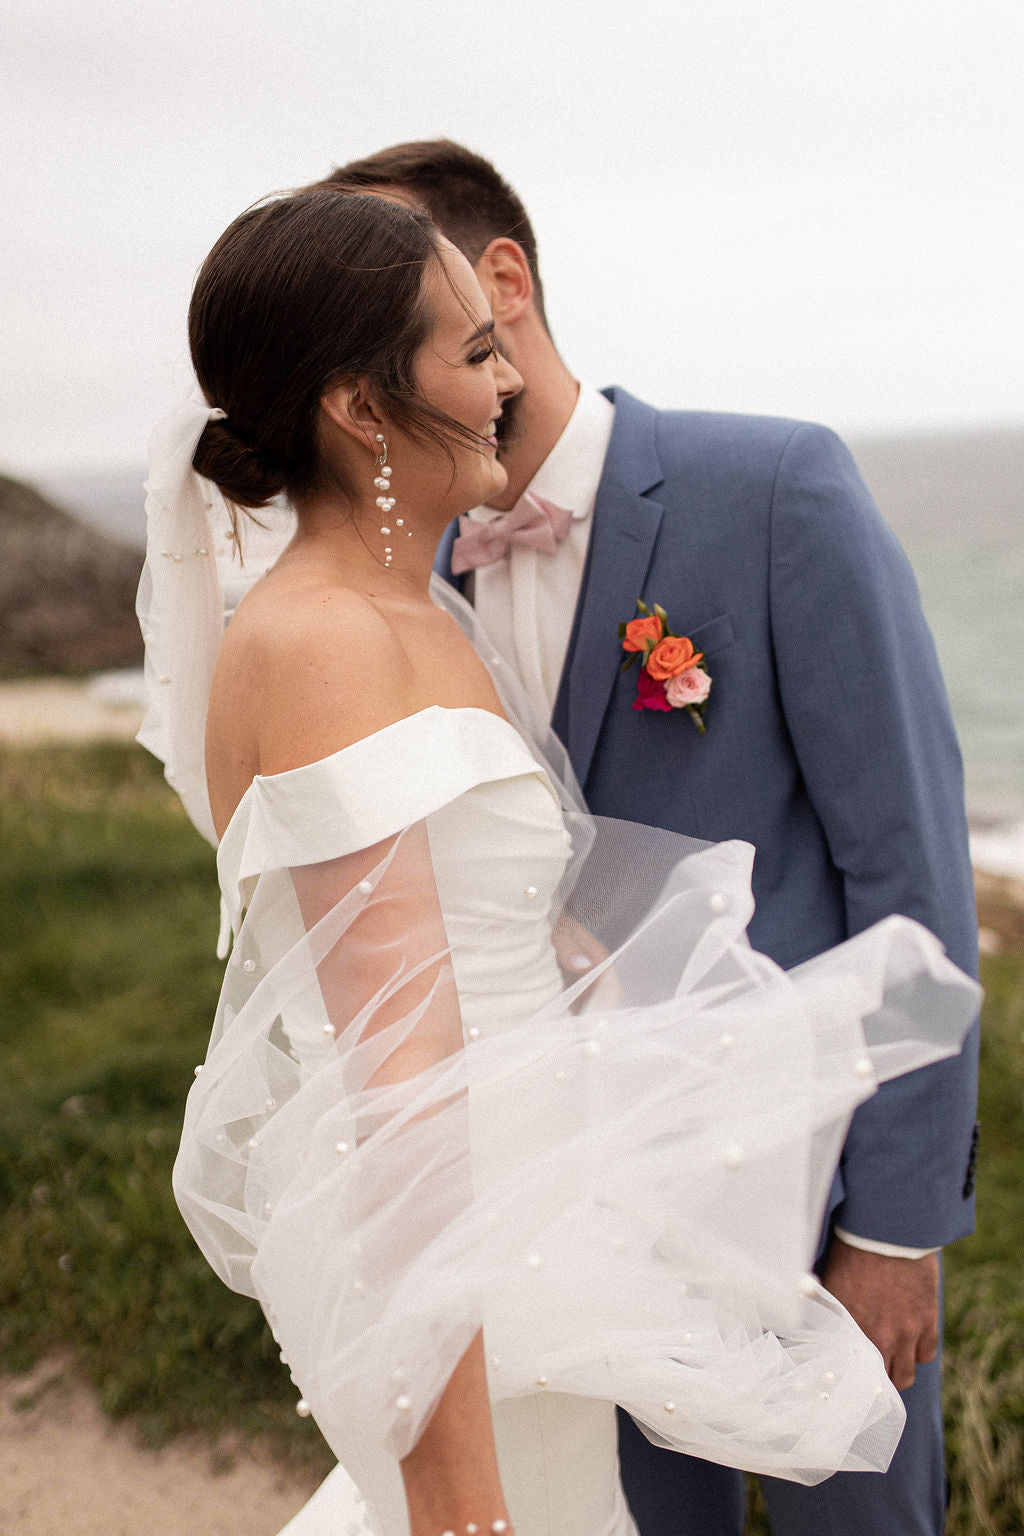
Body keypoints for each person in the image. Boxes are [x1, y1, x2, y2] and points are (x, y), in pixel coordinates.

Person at [141, 187, 977, 1536]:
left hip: (617, 1250)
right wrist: (463, 1506)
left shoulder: (410, 605)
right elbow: (402, 1119)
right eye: (472, 357)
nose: (508, 382)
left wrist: (897, 1219)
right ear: (363, 410)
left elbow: (907, 854)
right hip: (484, 1302)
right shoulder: (322, 642)